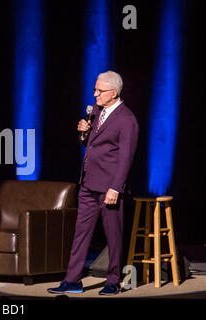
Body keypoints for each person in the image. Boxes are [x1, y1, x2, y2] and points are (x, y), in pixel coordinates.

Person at [48, 71, 139, 295]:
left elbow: (126, 157)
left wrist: (115, 188)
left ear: (114, 93)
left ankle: (113, 281)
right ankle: (72, 279)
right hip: (88, 183)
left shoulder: (127, 119)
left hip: (109, 188)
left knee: (113, 236)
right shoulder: (97, 111)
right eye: (94, 89)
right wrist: (83, 134)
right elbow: (91, 144)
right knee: (81, 233)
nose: (95, 94)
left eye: (100, 90)